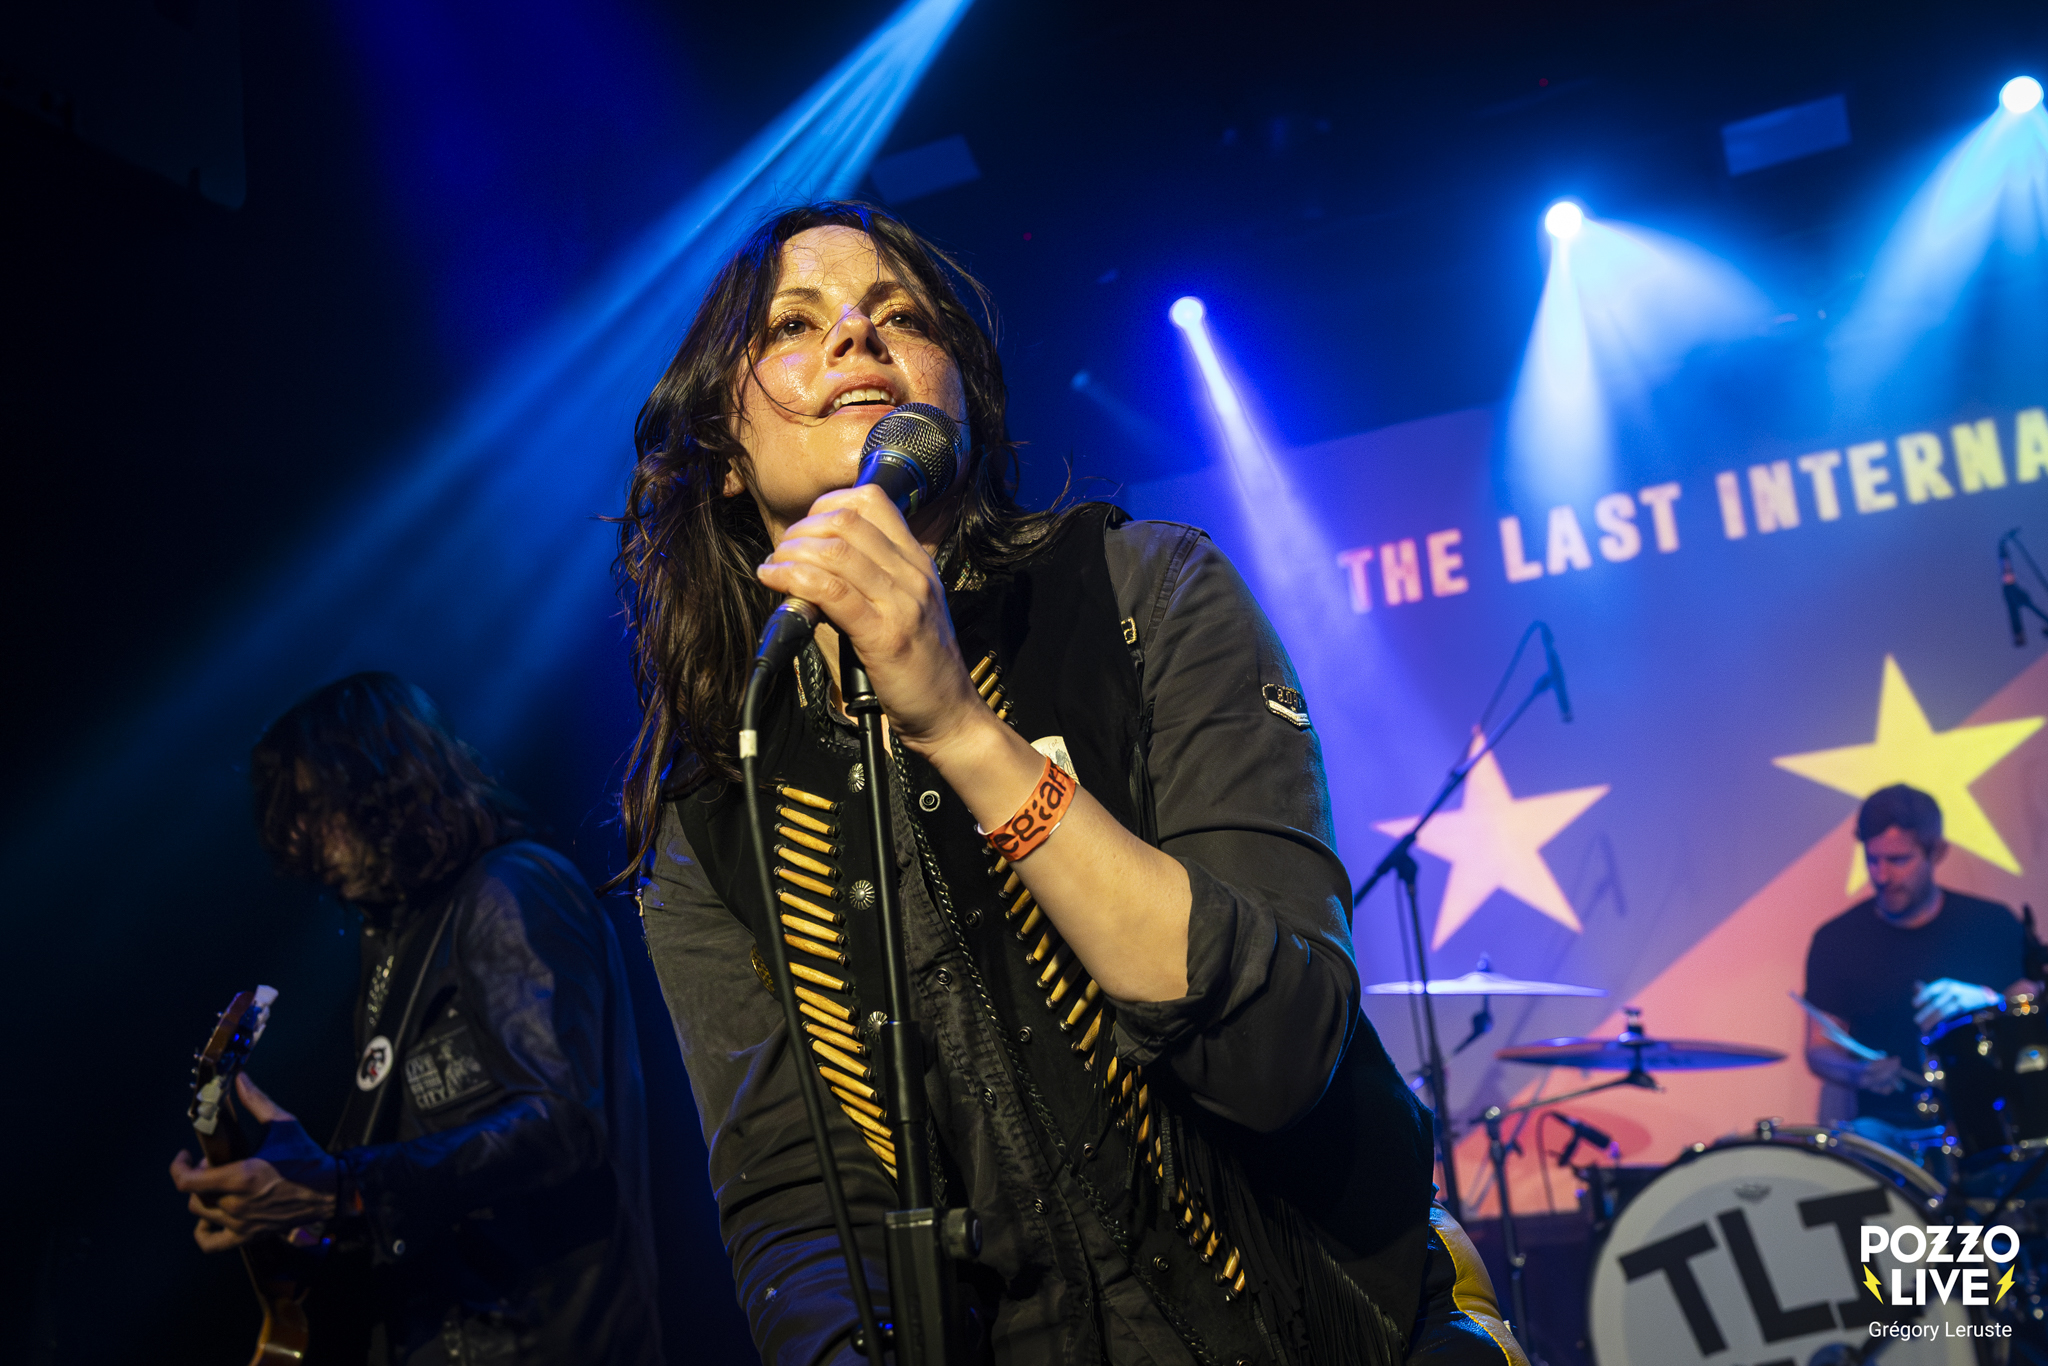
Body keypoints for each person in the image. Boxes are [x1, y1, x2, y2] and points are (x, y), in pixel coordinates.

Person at [617, 201, 1522, 1365]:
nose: (855, 334)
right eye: (793, 323)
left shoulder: (1146, 593)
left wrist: (957, 723)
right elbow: (793, 1209)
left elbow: (1280, 1054)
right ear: (722, 457)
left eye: (902, 315)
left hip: (1332, 1326)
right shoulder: (713, 800)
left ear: (962, 405)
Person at [169, 673, 663, 1366]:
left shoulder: (511, 889)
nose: (303, 838)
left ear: (383, 783)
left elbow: (563, 1124)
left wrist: (343, 1185)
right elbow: (413, 1180)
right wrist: (302, 1208)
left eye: (315, 806)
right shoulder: (397, 942)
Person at [1803, 783, 2035, 1147]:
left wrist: (1988, 1002)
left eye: (1898, 860)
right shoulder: (1837, 939)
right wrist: (1859, 1072)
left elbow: (2034, 1021)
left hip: (1989, 1126)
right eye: (1872, 859)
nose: (1882, 876)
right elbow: (1819, 1048)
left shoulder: (1993, 924)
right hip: (1887, 1132)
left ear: (1937, 852)